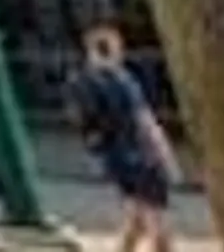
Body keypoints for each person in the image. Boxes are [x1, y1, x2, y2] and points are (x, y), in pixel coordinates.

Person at [71, 23, 180, 252]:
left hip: (114, 157)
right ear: (115, 50)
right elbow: (144, 119)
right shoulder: (123, 81)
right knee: (157, 221)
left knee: (137, 217)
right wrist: (165, 154)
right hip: (141, 154)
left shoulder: (83, 82)